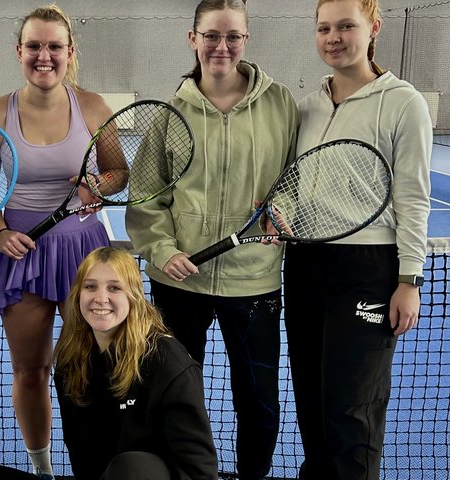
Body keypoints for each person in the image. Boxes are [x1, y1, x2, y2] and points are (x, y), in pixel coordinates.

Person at [125, 1, 299, 479]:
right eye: (211, 36)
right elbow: (145, 198)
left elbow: (295, 181)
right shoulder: (167, 114)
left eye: (233, 37)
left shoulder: (281, 103)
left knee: (259, 402)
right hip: (180, 284)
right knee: (173, 396)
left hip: (255, 283)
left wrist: (283, 211)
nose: (222, 47)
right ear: (192, 38)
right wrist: (163, 250)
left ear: (246, 39)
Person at [284, 1, 432, 478]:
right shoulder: (305, 106)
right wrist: (279, 215)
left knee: (351, 410)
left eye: (346, 25)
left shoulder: (403, 101)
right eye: (324, 27)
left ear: (373, 28)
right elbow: (290, 185)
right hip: (304, 265)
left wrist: (410, 278)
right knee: (311, 400)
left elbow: (413, 195)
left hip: (368, 268)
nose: (333, 37)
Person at [0, 5, 122, 478]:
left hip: (84, 254)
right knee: (31, 372)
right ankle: (43, 471)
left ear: (70, 53)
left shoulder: (95, 106)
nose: (44, 56)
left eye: (54, 46)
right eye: (34, 46)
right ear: (19, 52)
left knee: (95, 370)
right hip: (21, 253)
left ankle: (98, 465)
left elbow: (118, 172)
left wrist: (97, 186)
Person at [54, 247, 218, 480]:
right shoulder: (72, 355)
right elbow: (80, 449)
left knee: (132, 467)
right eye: (90, 286)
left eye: (114, 287)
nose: (100, 298)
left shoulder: (166, 361)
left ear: (134, 295)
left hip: (150, 474)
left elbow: (199, 468)